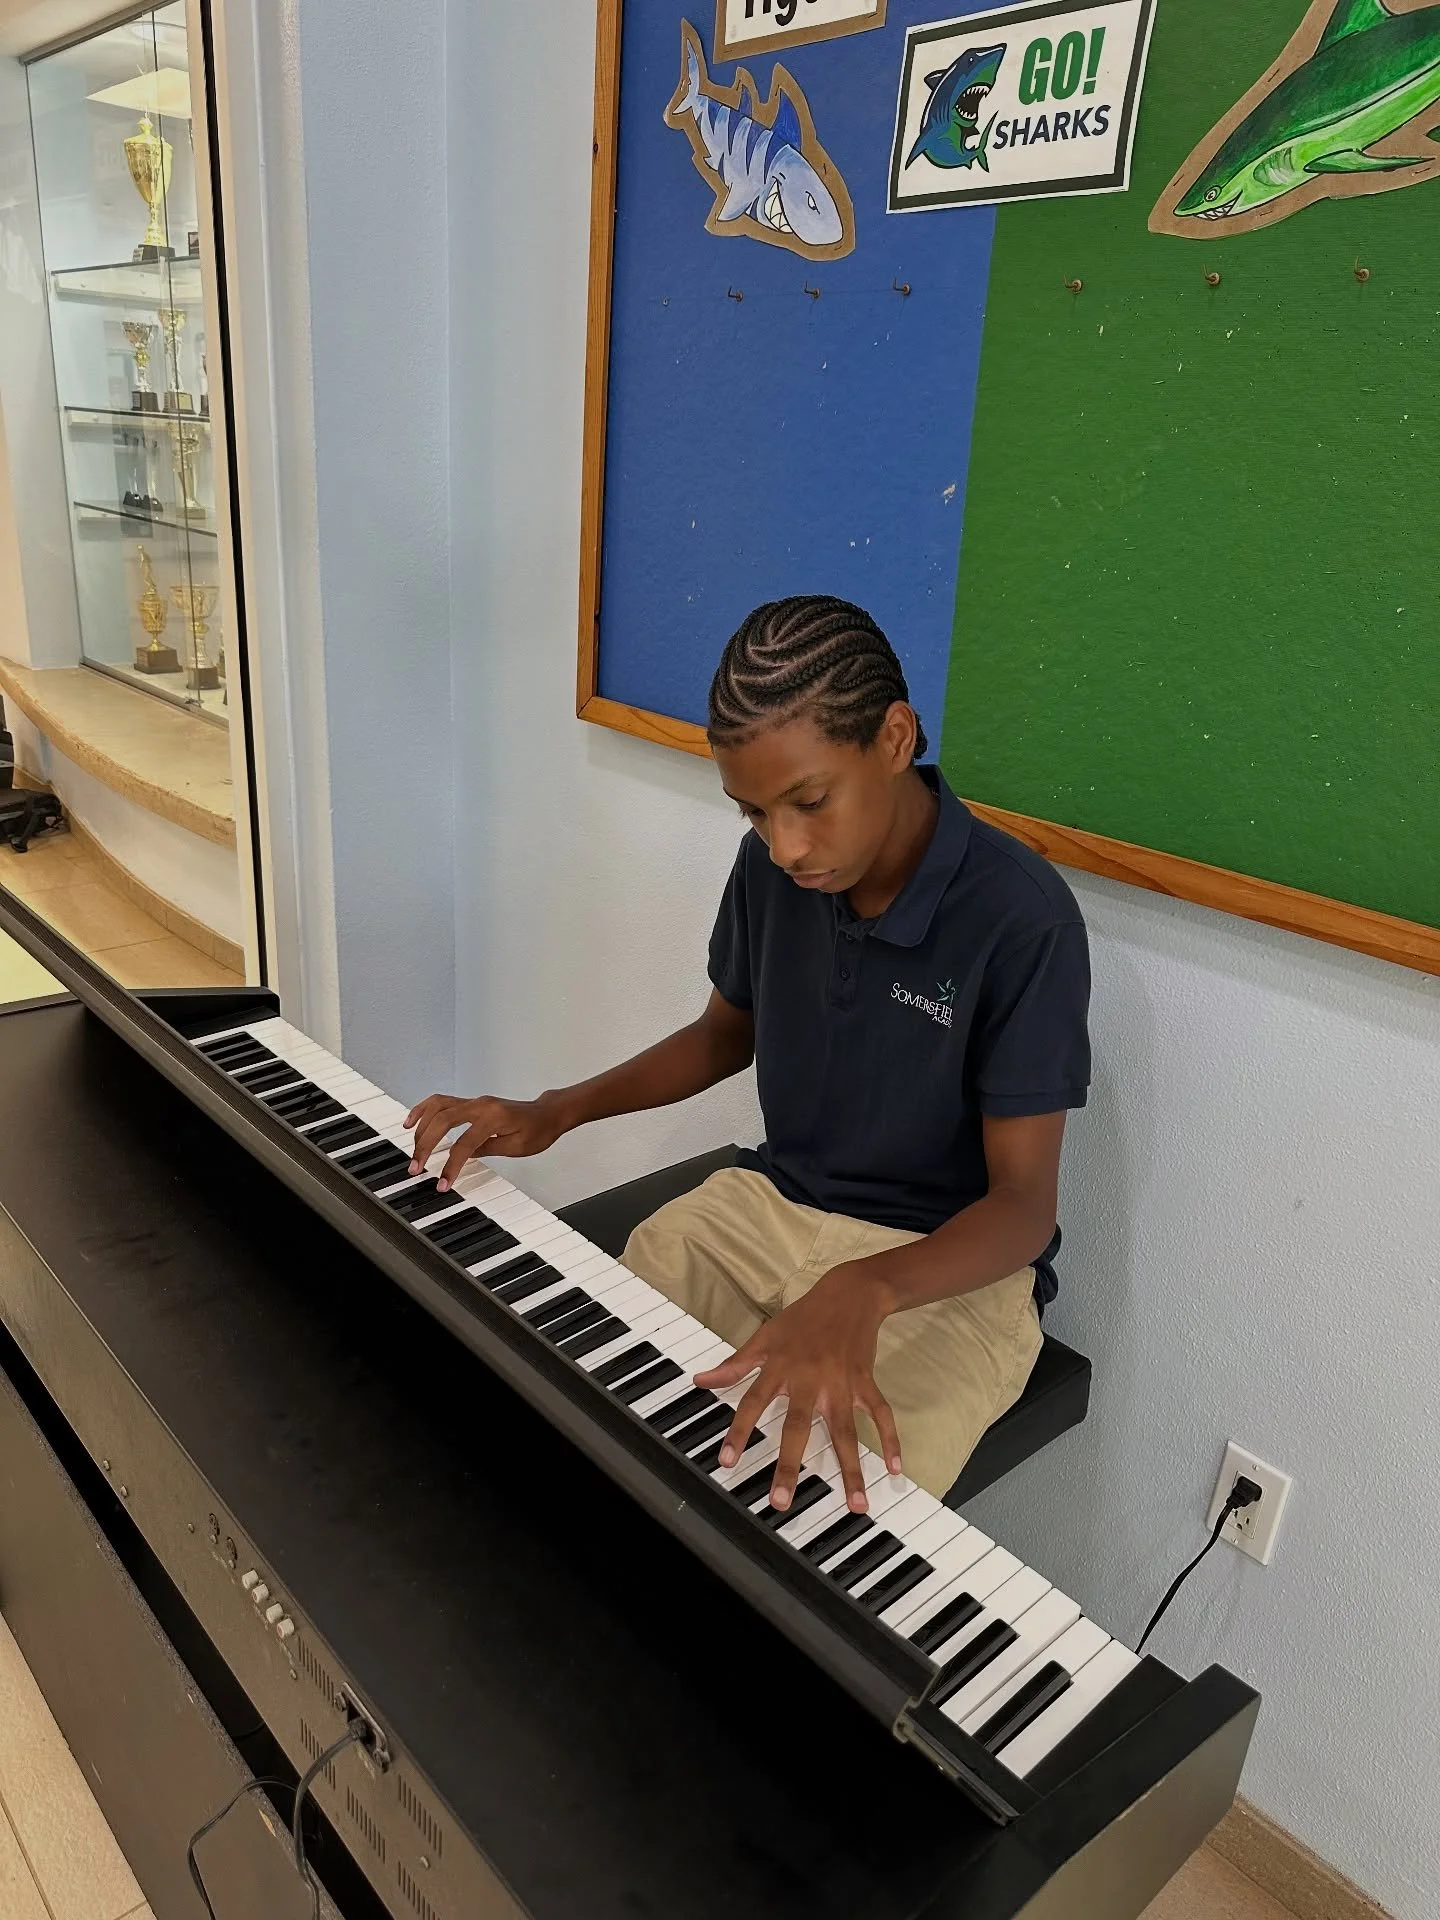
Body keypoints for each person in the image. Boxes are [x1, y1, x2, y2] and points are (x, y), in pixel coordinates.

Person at [406, 596, 1090, 1517]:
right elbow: (724, 1035)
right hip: (773, 1204)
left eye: (809, 802)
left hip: (939, 1265)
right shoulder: (772, 867)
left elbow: (1023, 1206)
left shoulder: (1022, 918)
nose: (787, 846)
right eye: (754, 812)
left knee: (838, 1499)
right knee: (585, 1388)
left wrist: (866, 1286)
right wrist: (554, 1109)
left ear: (894, 738)